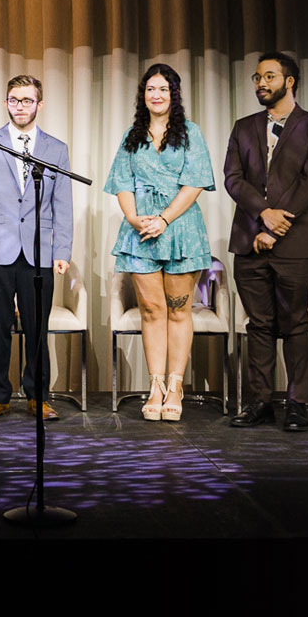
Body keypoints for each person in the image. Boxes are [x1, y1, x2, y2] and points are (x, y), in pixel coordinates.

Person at [223, 52, 308, 432]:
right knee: (259, 324)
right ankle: (259, 401)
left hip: (294, 242)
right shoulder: (243, 126)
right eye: (256, 77)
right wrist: (262, 215)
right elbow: (233, 179)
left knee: (295, 323)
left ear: (289, 81)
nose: (260, 83)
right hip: (249, 240)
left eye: (268, 76)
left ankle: (298, 402)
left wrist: (275, 224)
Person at [103, 63, 215, 423]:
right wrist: (137, 220)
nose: (156, 95)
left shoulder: (190, 133)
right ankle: (154, 386)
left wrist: (164, 218)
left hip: (181, 228)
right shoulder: (131, 136)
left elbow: (196, 182)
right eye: (151, 89)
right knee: (152, 311)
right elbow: (121, 181)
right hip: (140, 232)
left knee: (179, 310)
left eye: (163, 89)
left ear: (174, 94)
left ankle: (176, 385)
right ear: (143, 95)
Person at [0, 74, 72, 421]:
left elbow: (62, 204)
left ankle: (37, 396)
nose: (21, 106)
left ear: (39, 105)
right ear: (5, 103)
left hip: (39, 251)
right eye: (14, 100)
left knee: (37, 328)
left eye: (28, 100)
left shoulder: (56, 149)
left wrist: (62, 251)